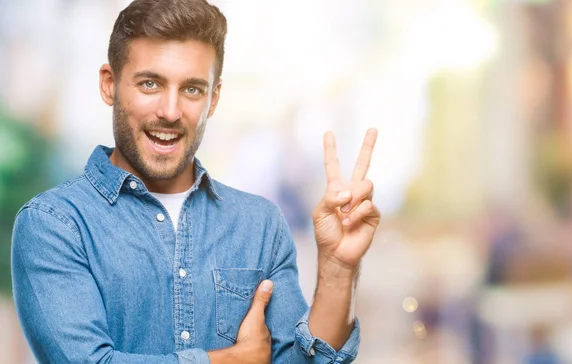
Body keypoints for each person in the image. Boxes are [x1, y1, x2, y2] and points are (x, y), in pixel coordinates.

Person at [11, 0, 380, 363]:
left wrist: (337, 269)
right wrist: (233, 360)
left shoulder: (259, 224)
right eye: (150, 83)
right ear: (109, 85)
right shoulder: (54, 224)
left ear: (213, 98)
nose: (170, 112)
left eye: (191, 89)